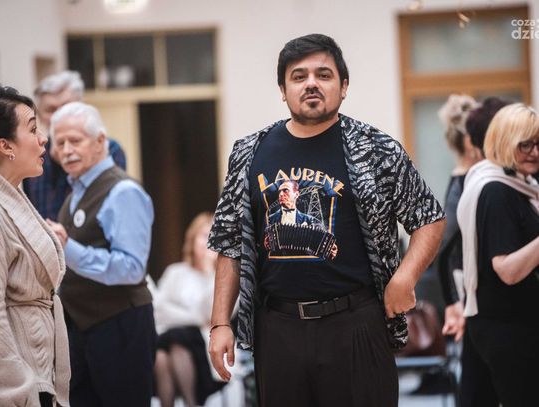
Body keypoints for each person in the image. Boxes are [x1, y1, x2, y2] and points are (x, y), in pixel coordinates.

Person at [208, 33, 446, 407]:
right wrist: (221, 322)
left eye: (323, 74)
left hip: (356, 324)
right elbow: (230, 241)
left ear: (343, 86)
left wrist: (405, 277)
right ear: (282, 90)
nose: (311, 84)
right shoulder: (249, 153)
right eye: (298, 76)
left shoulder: (376, 149)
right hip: (279, 327)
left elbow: (429, 218)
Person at [45, 101, 156, 407]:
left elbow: (131, 268)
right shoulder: (75, 192)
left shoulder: (123, 191)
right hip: (81, 328)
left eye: (75, 141)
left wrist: (67, 248)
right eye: (59, 143)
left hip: (121, 324)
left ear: (100, 141)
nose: (66, 150)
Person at [457, 103, 539, 406]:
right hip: (508, 328)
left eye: (538, 143)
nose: (534, 152)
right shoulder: (497, 190)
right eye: (525, 144)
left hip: (517, 323)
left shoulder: (523, 185)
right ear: (505, 142)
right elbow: (507, 269)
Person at [0, 86, 70, 406]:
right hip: (19, 383)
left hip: (40, 369)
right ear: (5, 146)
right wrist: (17, 387)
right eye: (32, 130)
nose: (43, 139)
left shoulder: (15, 195)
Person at [23, 71, 126, 221]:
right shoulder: (32, 154)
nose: (59, 115)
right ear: (39, 115)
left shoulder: (108, 148)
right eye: (51, 110)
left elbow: (109, 205)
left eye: (67, 106)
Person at [152, 212, 226, 407]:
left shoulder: (224, 279)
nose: (207, 242)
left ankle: (191, 402)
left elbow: (212, 315)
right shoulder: (175, 272)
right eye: (203, 235)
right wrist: (196, 318)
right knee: (162, 354)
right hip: (169, 345)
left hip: (206, 352)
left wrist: (210, 271)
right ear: (192, 239)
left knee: (179, 341)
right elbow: (159, 311)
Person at [435, 94, 481, 342]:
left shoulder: (471, 178)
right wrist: (452, 300)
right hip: (467, 282)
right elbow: (444, 247)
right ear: (469, 141)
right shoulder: (464, 182)